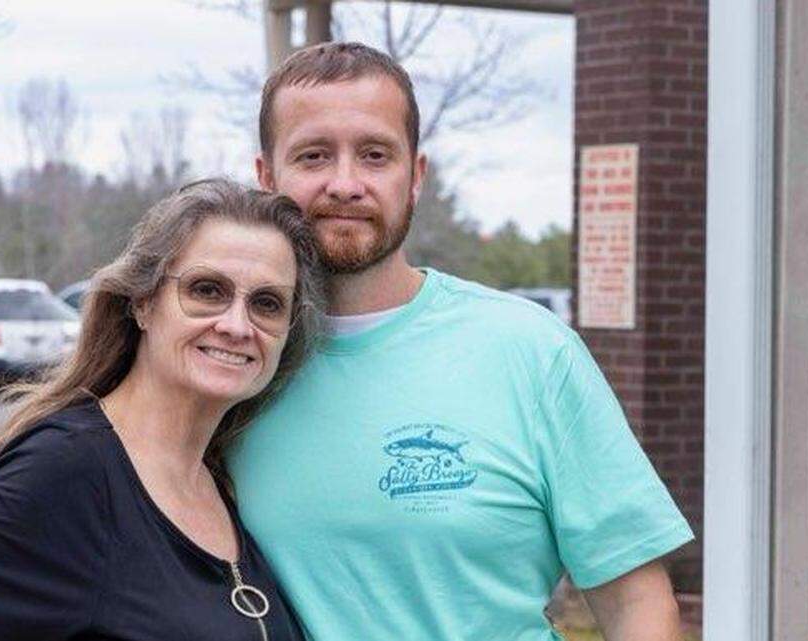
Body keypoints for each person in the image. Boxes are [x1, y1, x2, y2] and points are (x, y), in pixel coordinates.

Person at [225, 42, 695, 640]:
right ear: (266, 176)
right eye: (314, 156)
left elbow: (638, 606)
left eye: (375, 155)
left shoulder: (531, 352)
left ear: (415, 175)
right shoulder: (235, 366)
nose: (345, 183)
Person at [0, 179, 324, 641]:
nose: (236, 325)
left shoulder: (222, 479)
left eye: (267, 303)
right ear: (143, 303)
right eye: (207, 290)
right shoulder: (63, 470)